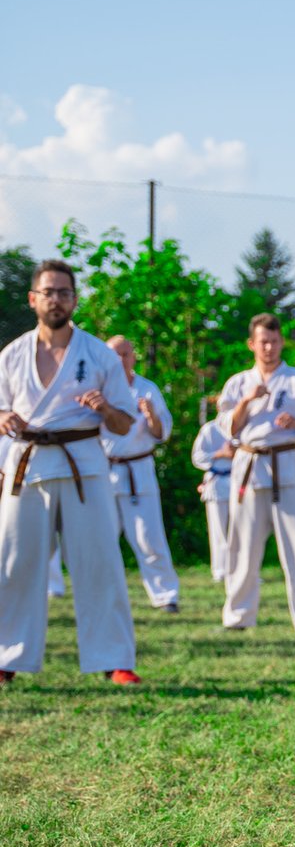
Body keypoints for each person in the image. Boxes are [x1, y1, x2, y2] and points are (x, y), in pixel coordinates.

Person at [0, 259, 142, 685]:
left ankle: (115, 658)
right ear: (33, 299)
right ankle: (7, 655)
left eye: (64, 292)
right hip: (27, 465)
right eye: (48, 292)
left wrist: (104, 409)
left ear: (75, 300)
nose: (56, 299)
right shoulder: (12, 355)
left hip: (85, 466)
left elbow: (124, 423)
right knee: (13, 563)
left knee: (100, 563)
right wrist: (3, 416)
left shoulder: (98, 353)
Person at [218, 313, 295, 632]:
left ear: (282, 342)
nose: (268, 347)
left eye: (273, 341)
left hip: (288, 464)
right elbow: (227, 428)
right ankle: (238, 616)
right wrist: (245, 401)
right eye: (262, 342)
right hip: (250, 465)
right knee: (242, 545)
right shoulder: (238, 383)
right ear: (251, 344)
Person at [99, 335, 182, 613]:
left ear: (133, 357)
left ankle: (165, 595)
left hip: (138, 469)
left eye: (125, 354)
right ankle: (104, 598)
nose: (120, 360)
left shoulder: (147, 389)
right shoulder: (97, 389)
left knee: (149, 537)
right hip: (104, 470)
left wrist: (151, 417)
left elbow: (162, 433)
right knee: (102, 539)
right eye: (114, 354)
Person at [191, 415, 234, 583]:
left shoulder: (242, 427)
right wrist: (221, 453)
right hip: (216, 483)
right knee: (219, 531)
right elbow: (198, 457)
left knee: (241, 530)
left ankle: (241, 569)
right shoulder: (210, 429)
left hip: (239, 482)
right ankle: (220, 570)